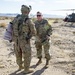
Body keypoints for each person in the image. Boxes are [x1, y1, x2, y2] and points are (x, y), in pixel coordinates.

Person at [12, 5, 36, 73]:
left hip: (16, 41)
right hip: (24, 41)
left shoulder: (16, 18)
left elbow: (12, 29)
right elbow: (34, 32)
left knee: (18, 54)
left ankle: (20, 66)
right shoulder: (28, 20)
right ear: (28, 11)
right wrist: (29, 36)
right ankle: (26, 70)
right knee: (27, 55)